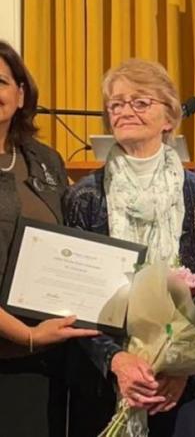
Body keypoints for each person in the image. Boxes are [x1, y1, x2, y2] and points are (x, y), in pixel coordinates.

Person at [63, 58, 195, 437]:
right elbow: (76, 295)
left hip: (179, 385)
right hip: (105, 378)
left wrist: (182, 369)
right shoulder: (84, 196)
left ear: (169, 118)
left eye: (140, 102)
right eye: (116, 104)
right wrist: (116, 360)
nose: (125, 111)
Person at [0, 40, 100, 436]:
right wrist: (25, 335)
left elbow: (71, 243)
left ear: (21, 94)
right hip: (17, 345)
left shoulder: (44, 160)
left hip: (47, 356)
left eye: (1, 81)